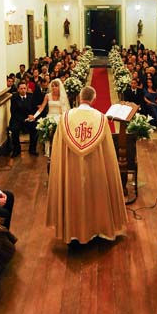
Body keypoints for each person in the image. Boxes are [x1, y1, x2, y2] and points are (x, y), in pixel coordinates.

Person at [46, 85, 128, 244]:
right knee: (96, 194)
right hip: (95, 168)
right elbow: (108, 152)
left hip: (71, 169)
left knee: (73, 193)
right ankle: (99, 229)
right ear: (94, 99)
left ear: (79, 97)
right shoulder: (101, 118)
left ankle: (73, 232)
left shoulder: (65, 118)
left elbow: (58, 148)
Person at [9, 81, 39, 156]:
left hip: (29, 119)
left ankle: (32, 149)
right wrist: (23, 119)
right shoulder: (14, 98)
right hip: (18, 119)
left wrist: (32, 115)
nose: (23, 90)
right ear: (18, 89)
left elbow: (34, 108)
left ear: (27, 89)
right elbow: (13, 111)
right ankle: (16, 149)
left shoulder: (31, 96)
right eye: (21, 88)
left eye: (24, 88)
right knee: (14, 129)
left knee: (35, 128)